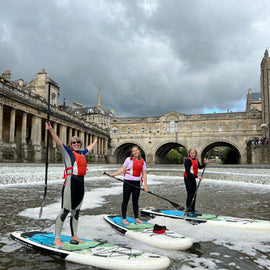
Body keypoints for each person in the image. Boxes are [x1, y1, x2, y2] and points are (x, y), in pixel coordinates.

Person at [45, 122, 98, 246]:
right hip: (70, 184)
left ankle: (74, 236)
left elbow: (89, 148)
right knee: (65, 210)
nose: (76, 144)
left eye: (78, 142)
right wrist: (51, 130)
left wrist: (95, 141)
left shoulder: (82, 154)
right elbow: (58, 143)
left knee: (76, 212)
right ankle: (57, 238)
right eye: (73, 142)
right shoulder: (68, 153)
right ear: (70, 145)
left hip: (80, 184)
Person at [110, 146, 148, 225]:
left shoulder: (142, 161)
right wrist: (114, 174)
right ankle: (124, 218)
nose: (135, 152)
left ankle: (136, 218)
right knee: (125, 200)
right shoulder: (128, 159)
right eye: (133, 151)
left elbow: (144, 174)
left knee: (135, 201)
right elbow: (122, 169)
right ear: (132, 153)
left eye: (136, 150)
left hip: (137, 183)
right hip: (128, 182)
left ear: (139, 151)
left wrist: (145, 186)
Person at [183, 149, 208, 217]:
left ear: (196, 154)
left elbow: (200, 167)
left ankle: (193, 210)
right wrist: (197, 177)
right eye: (191, 153)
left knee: (194, 194)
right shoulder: (187, 161)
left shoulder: (196, 160)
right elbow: (188, 172)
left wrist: (205, 163)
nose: (192, 154)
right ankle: (188, 211)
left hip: (193, 179)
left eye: (193, 153)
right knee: (190, 195)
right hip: (188, 179)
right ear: (189, 154)